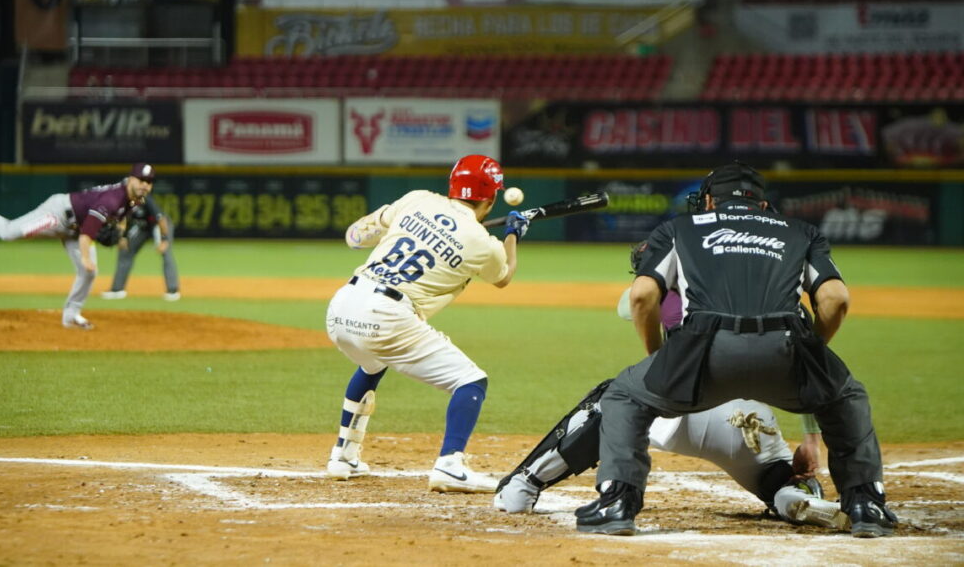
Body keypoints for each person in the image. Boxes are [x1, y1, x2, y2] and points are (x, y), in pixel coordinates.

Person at [575, 162, 897, 538]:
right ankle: (865, 504)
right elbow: (836, 299)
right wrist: (810, 354)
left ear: (709, 200)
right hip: (785, 350)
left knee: (624, 396)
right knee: (846, 396)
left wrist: (659, 359)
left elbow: (644, 295)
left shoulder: (679, 228)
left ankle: (618, 501)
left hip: (701, 356)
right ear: (762, 206)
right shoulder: (801, 232)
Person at [495, 242, 847, 530]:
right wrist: (812, 439)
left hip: (677, 411)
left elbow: (633, 301)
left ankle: (523, 486)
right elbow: (809, 361)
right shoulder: (765, 297)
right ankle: (792, 496)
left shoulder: (665, 293)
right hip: (750, 420)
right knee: (778, 477)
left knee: (612, 399)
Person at [324, 154, 530, 493]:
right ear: (491, 198)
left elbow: (356, 237)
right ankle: (450, 464)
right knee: (471, 380)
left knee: (372, 364)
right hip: (386, 316)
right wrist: (513, 236)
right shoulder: (483, 243)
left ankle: (343, 456)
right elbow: (504, 276)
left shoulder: (417, 198)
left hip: (342, 306)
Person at [0, 163, 155, 330]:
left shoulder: (134, 198)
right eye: (141, 180)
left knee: (89, 274)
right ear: (130, 179)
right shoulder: (111, 199)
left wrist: (121, 234)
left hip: (74, 228)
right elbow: (88, 233)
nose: (145, 185)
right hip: (58, 215)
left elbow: (123, 215)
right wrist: (86, 258)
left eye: (149, 182)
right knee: (9, 232)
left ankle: (71, 316)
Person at [101, 193, 180, 301]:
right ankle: (117, 289)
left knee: (165, 252)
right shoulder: (124, 203)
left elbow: (160, 218)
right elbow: (125, 222)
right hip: (142, 227)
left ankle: (172, 291)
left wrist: (164, 240)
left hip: (159, 226)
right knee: (125, 250)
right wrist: (123, 237)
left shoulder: (145, 199)